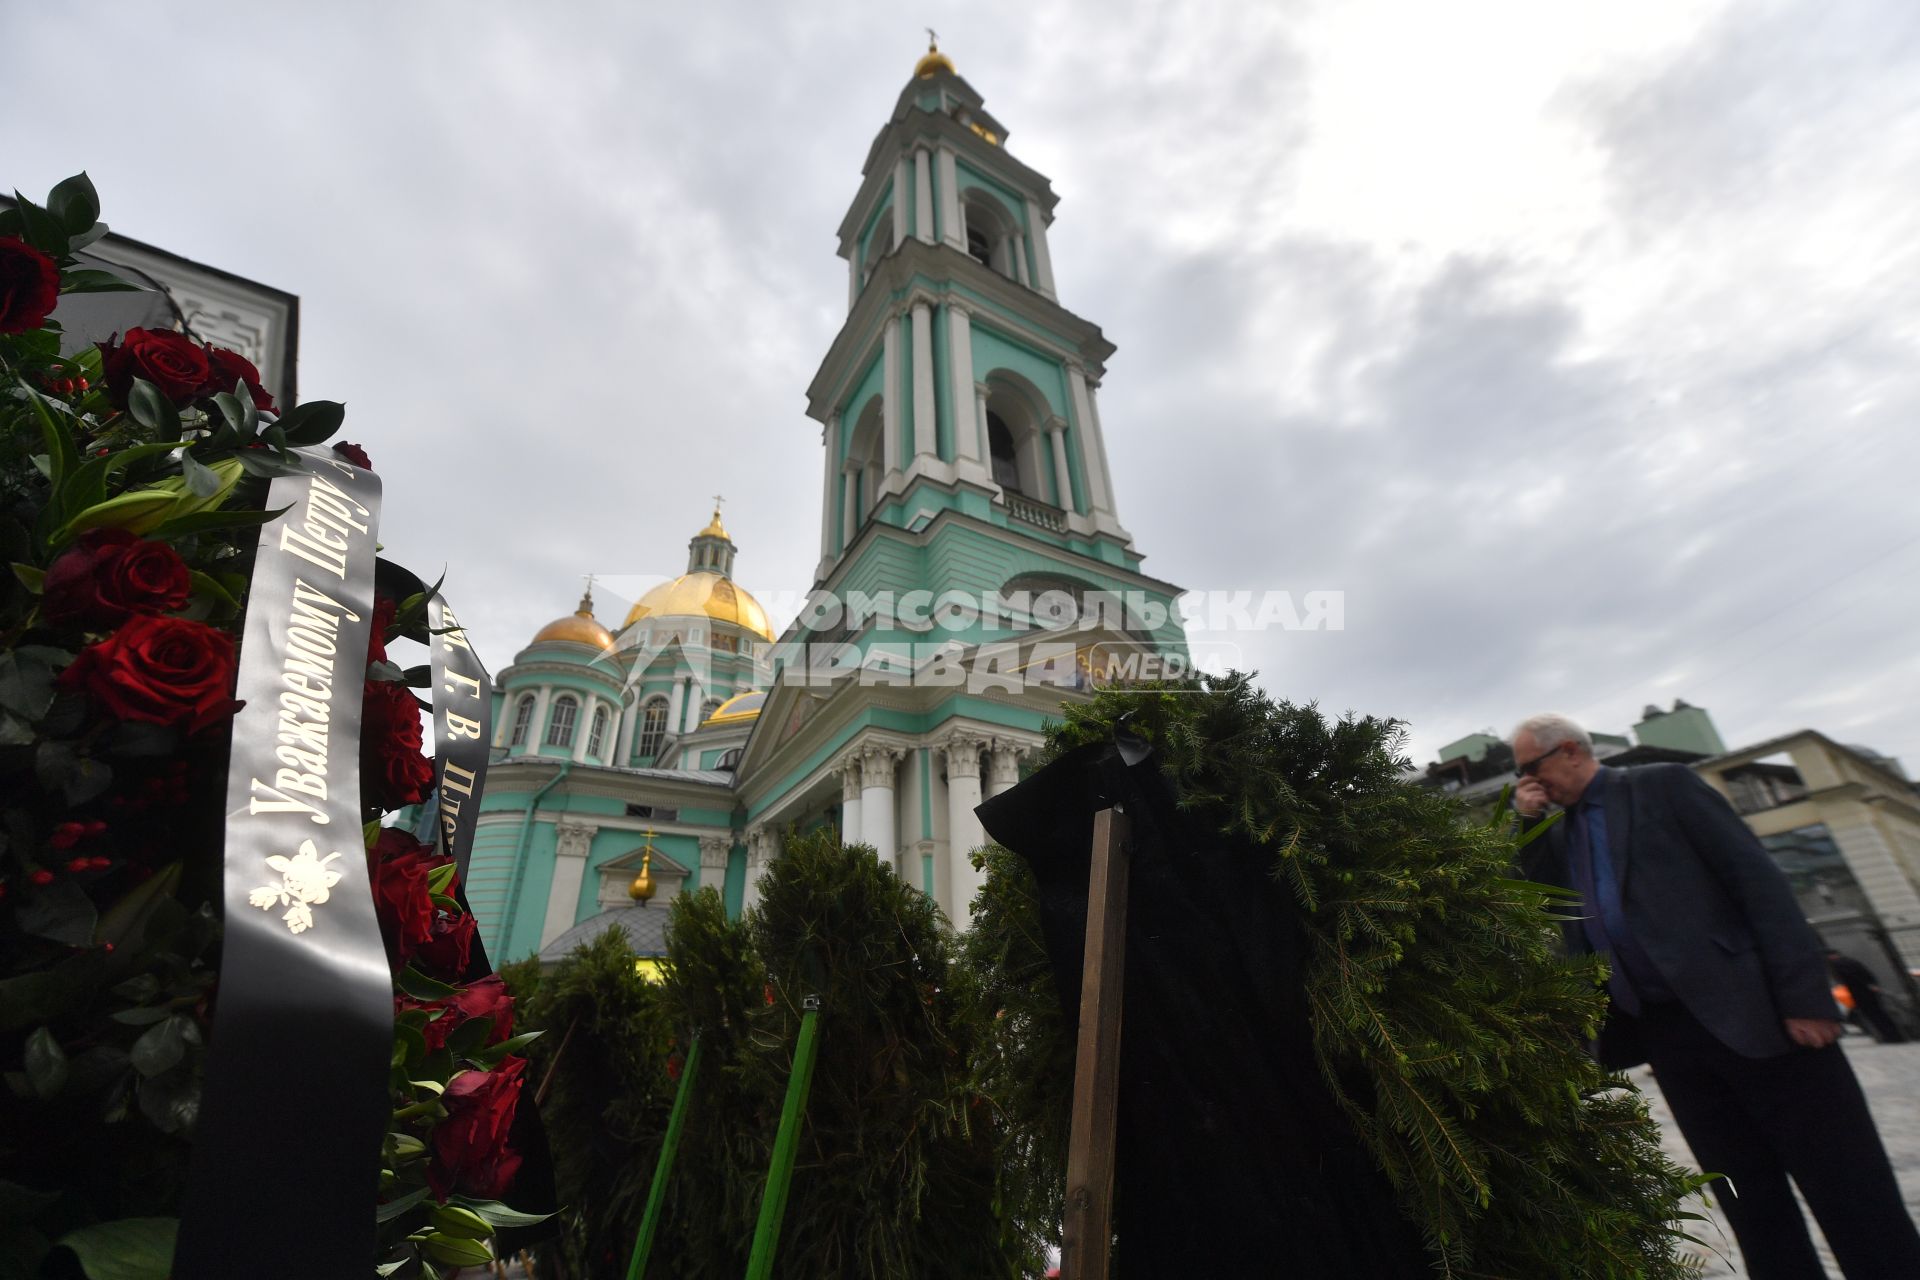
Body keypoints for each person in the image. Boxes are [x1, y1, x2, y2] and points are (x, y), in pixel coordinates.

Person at [1510, 713, 1920, 1280]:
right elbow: (1543, 905)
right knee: (1747, 1200)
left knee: (1849, 1187)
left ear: (1572, 751)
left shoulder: (1659, 786)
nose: (1528, 782)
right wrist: (1523, 823)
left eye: (1531, 767)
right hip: (1669, 1036)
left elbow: (1757, 880)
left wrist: (1806, 998)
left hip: (1761, 1015)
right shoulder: (1558, 833)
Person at [1827, 948, 1908, 1044]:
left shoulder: (1838, 965)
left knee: (1874, 1016)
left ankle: (1889, 1037)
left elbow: (1852, 979)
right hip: (1868, 991)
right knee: (1881, 1014)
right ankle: (1895, 1036)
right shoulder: (1851, 961)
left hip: (1859, 993)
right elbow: (1866, 973)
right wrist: (1871, 984)